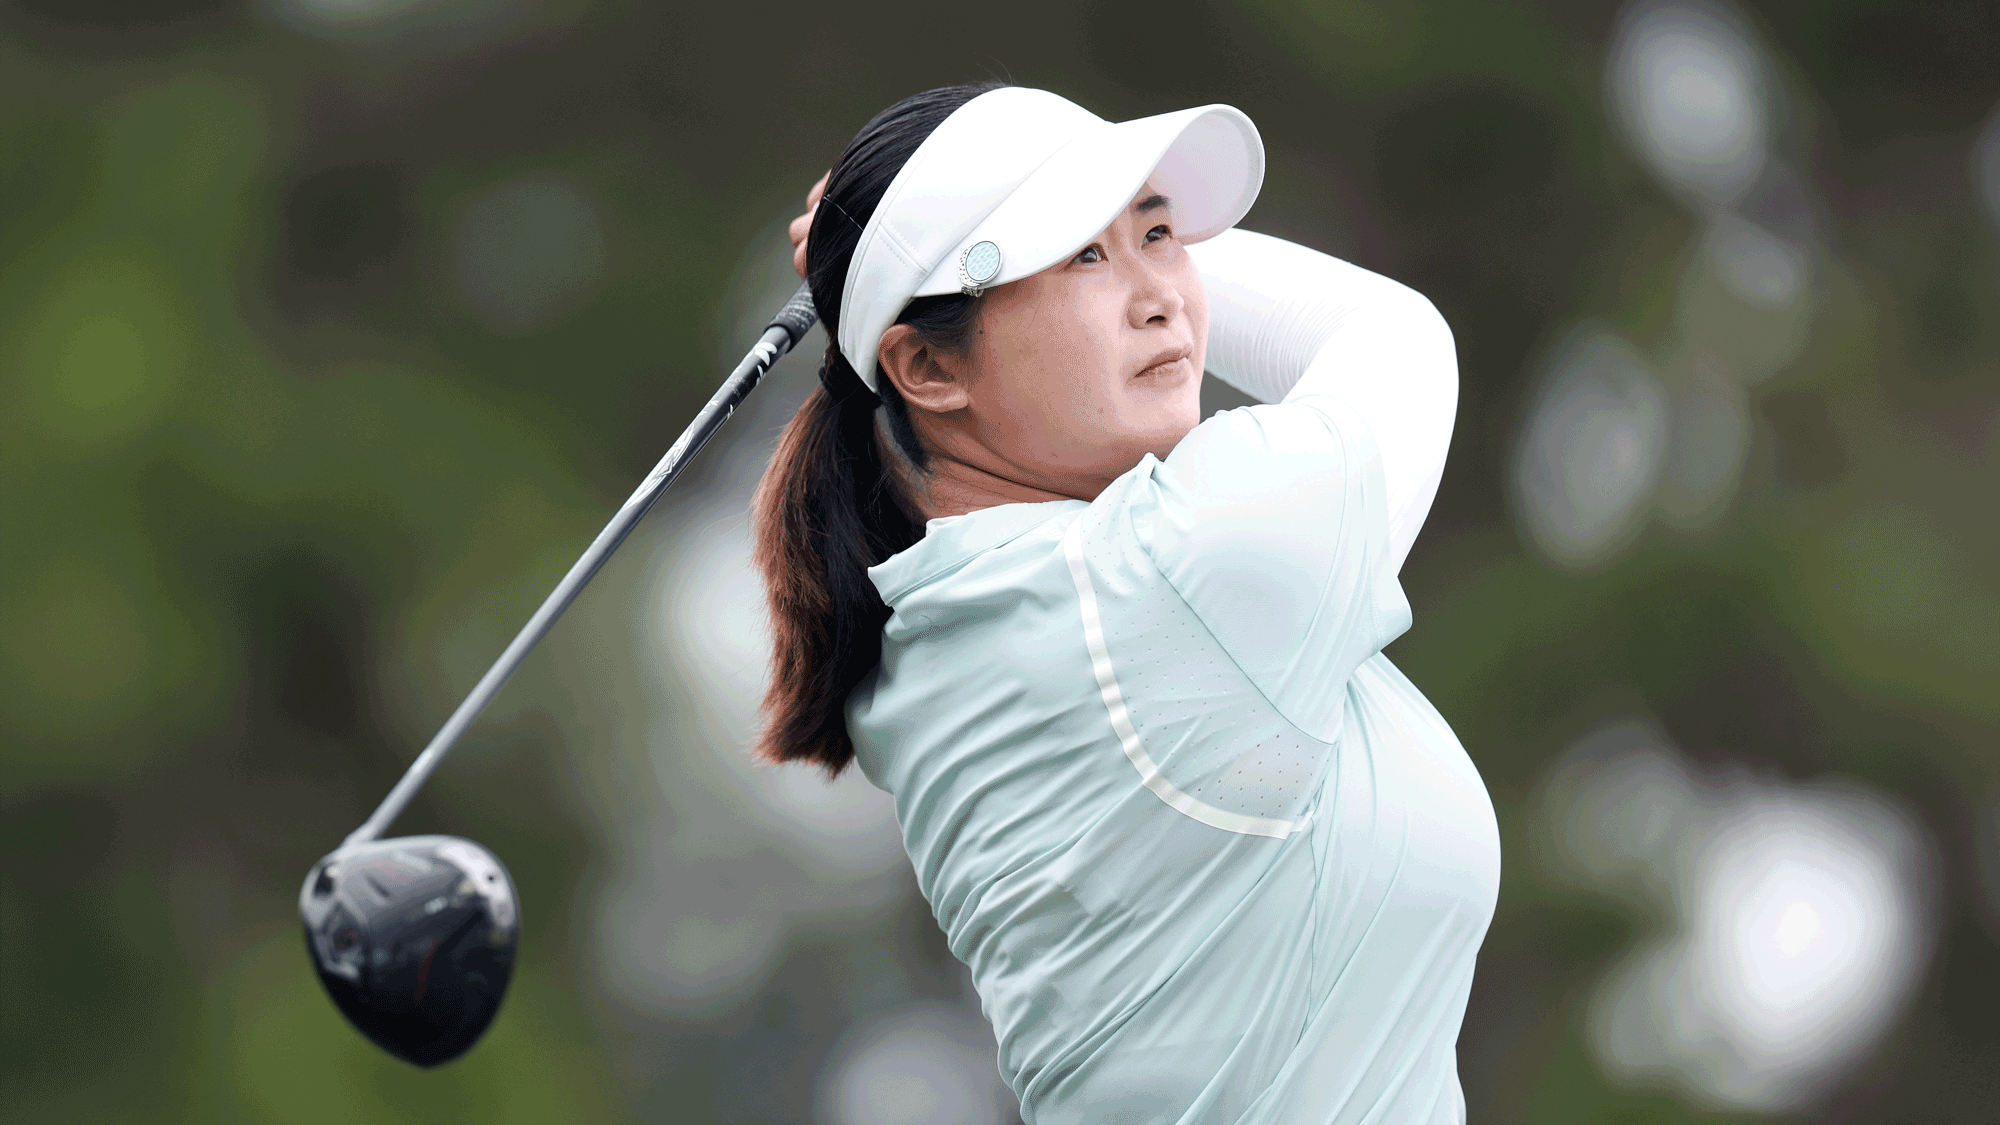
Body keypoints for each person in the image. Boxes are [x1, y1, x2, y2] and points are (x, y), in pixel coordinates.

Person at [754, 82, 1499, 1125]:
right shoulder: (1161, 578)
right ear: (924, 367)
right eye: (1083, 259)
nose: (1157, 295)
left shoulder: (968, 616)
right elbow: (1393, 335)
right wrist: (893, 252)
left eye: (1160, 235)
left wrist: (902, 257)